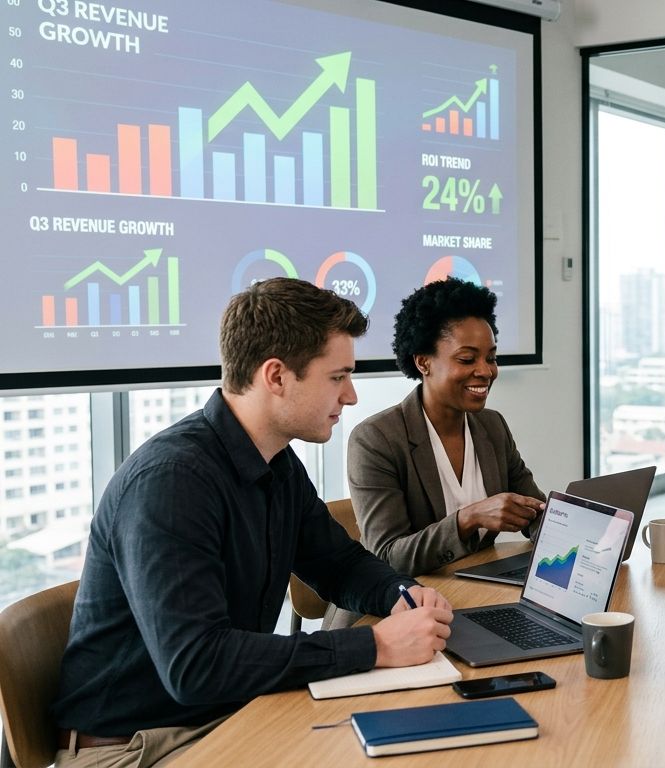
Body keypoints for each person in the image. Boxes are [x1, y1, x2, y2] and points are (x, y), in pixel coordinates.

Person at [52, 278, 453, 768]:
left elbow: (338, 563)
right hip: (138, 745)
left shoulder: (276, 463)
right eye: (338, 376)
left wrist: (401, 593)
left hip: (223, 711)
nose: (350, 396)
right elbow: (196, 665)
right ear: (277, 376)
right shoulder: (172, 482)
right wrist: (373, 645)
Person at [347, 278, 545, 579]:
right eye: (467, 358)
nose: (485, 371)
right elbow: (387, 558)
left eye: (491, 358)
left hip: (471, 592)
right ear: (424, 362)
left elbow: (532, 511)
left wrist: (576, 532)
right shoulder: (376, 439)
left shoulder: (492, 426)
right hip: (396, 609)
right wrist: (468, 518)